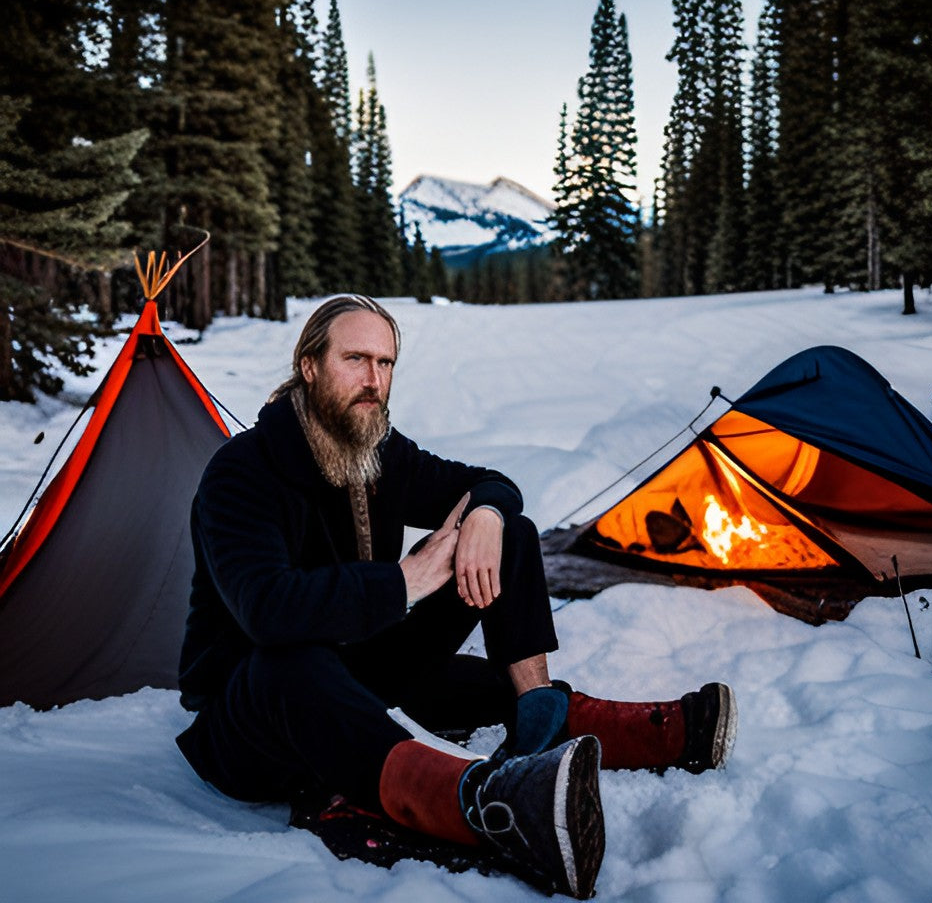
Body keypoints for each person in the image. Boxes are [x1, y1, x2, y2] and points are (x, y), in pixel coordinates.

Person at [176, 294, 737, 899]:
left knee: (510, 537)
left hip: (358, 669)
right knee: (294, 662)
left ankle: (540, 721)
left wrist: (489, 513)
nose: (373, 380)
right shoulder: (242, 472)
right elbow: (266, 610)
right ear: (309, 366)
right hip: (255, 715)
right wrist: (406, 581)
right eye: (356, 359)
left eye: (386, 363)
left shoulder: (377, 450)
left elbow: (489, 484)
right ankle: (488, 805)